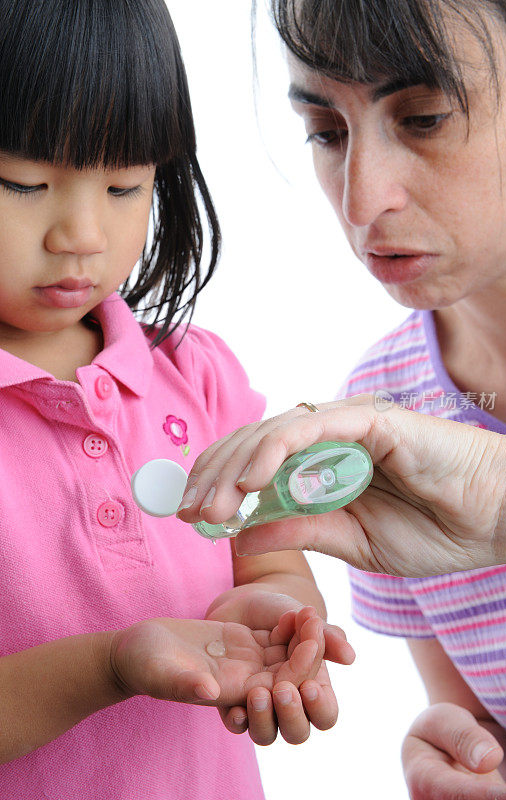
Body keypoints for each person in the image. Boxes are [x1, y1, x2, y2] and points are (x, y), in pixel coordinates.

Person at [0, 1, 356, 797]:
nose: (82, 233)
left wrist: (281, 608)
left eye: (125, 185)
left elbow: (260, 545)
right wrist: (107, 666)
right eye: (22, 182)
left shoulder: (198, 376)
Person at [179, 0, 506, 795]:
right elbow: (485, 725)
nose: (361, 200)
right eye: (327, 132)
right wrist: (468, 757)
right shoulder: (380, 415)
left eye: (427, 118)